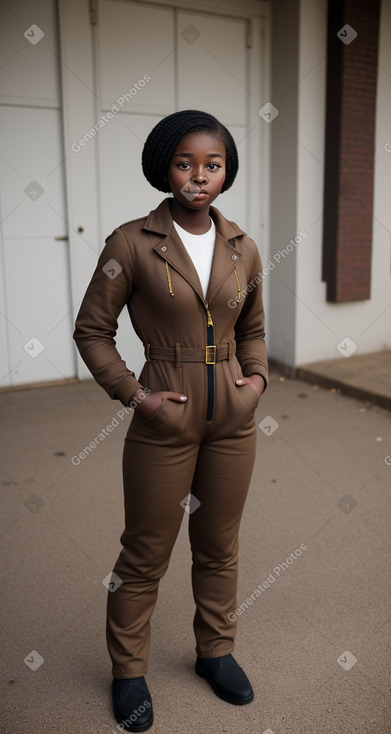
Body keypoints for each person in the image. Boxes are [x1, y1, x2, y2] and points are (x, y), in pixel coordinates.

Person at [73, 109, 268, 733]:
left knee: (219, 546)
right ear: (165, 166)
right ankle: (128, 670)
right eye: (185, 163)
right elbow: (93, 331)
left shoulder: (244, 245)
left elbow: (255, 328)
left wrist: (256, 381)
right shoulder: (130, 241)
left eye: (213, 165)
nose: (198, 177)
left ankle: (216, 651)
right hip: (165, 413)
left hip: (232, 418)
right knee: (146, 551)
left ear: (226, 173)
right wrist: (136, 396)